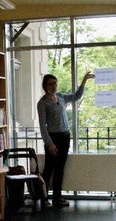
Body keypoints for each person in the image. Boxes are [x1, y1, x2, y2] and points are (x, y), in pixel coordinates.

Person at [37, 72, 95, 208]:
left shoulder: (61, 97)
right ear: (45, 85)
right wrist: (49, 143)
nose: (54, 86)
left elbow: (76, 96)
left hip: (65, 136)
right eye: (51, 84)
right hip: (53, 138)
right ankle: (44, 198)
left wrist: (84, 81)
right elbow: (42, 126)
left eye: (55, 83)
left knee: (60, 168)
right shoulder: (42, 103)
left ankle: (57, 197)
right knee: (49, 168)